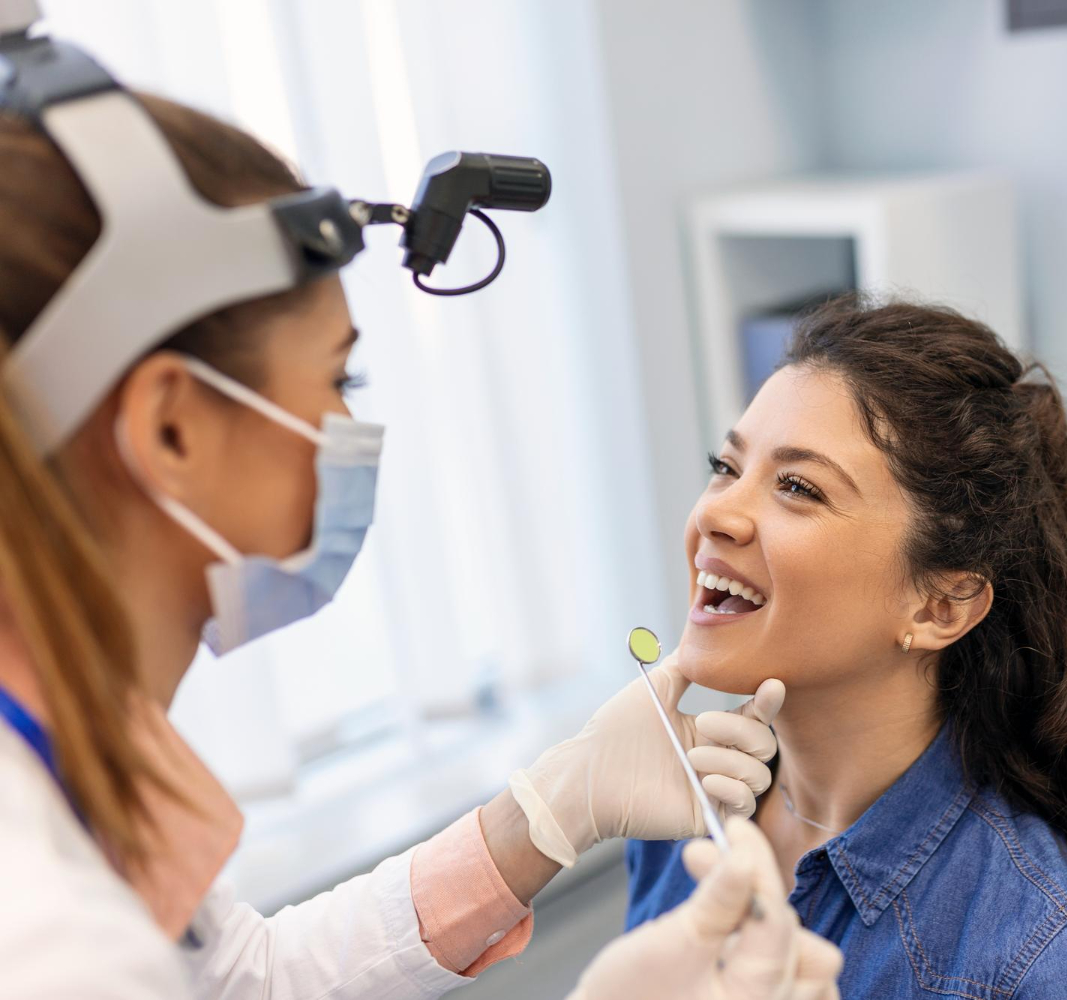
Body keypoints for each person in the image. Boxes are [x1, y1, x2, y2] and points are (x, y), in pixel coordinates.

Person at [0, 85, 841, 998]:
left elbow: (244, 979)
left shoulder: (69, 738)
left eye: (799, 486)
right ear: (172, 430)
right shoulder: (50, 939)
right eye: (340, 377)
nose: (348, 424)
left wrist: (553, 808)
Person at [626, 295, 1067, 999]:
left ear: (940, 606)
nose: (715, 511)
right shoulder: (677, 815)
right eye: (725, 465)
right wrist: (539, 826)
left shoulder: (1057, 960)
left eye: (798, 487)